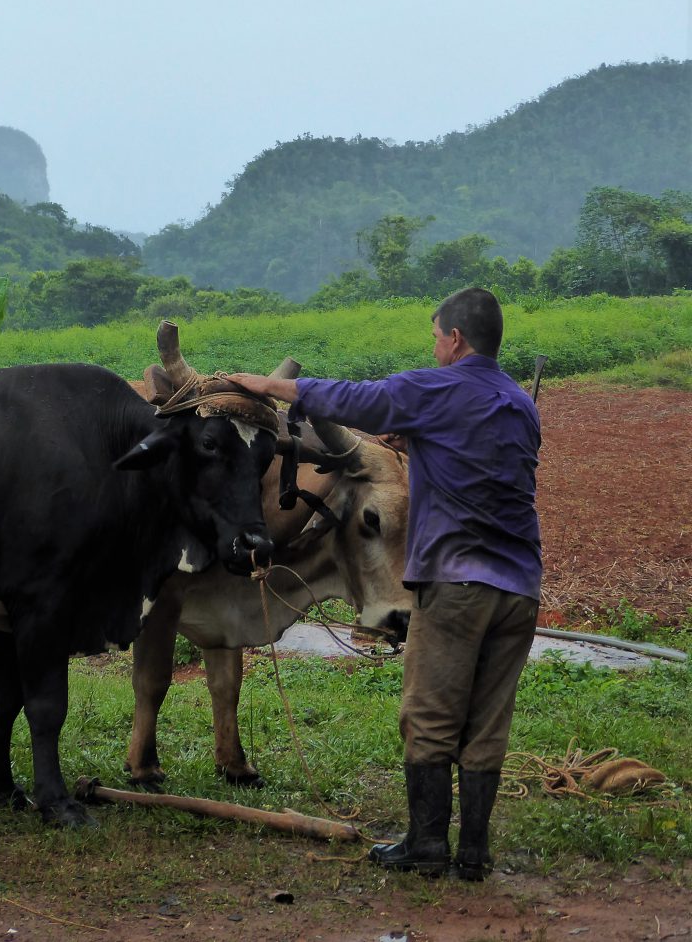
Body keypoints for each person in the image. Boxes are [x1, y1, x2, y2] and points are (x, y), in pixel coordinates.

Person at [229, 287, 541, 881]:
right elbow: (477, 460)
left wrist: (268, 387)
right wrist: (418, 442)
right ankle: (472, 852)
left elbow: (357, 399)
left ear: (454, 339)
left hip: (457, 583)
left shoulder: (434, 388)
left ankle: (425, 846)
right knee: (488, 720)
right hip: (521, 585)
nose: (434, 346)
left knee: (429, 714)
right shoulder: (520, 405)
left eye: (434, 337)